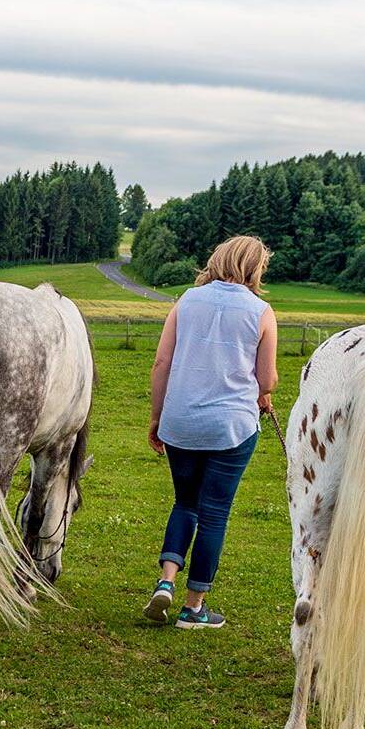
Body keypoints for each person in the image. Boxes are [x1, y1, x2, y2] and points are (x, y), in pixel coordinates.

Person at [144, 235, 278, 629]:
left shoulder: (186, 300)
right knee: (214, 513)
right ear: (256, 268)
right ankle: (194, 608)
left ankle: (165, 582)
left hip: (180, 422)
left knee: (184, 503)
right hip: (231, 428)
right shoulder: (261, 311)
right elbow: (266, 379)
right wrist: (264, 394)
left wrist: (157, 418)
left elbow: (161, 362)